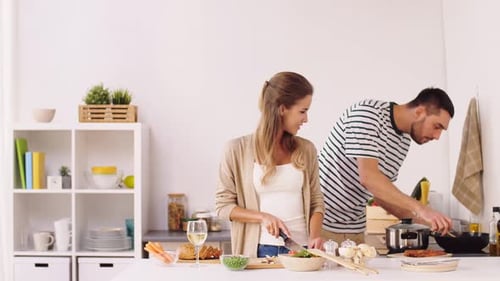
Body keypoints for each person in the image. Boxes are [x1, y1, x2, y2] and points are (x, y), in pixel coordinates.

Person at [318, 87, 454, 244]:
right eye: (437, 126)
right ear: (419, 112)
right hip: (320, 224)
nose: (437, 136)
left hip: (354, 230)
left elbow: (381, 194)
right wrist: (422, 209)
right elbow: (368, 178)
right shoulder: (367, 114)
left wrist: (429, 224)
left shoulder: (403, 142)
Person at [215, 71, 325, 258]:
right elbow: (223, 207)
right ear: (282, 109)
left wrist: (315, 236)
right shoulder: (236, 150)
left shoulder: (306, 149)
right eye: (302, 111)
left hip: (303, 250)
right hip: (260, 250)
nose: (306, 119)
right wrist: (263, 217)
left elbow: (316, 201)